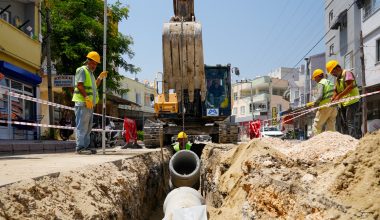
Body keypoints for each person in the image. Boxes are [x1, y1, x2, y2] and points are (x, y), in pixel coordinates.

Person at [72, 51, 107, 154]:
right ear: (88, 61)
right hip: (83, 102)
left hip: (89, 104)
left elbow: (95, 86)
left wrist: (100, 78)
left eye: (96, 64)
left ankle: (85, 147)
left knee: (87, 128)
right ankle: (80, 148)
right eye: (93, 63)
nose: (95, 65)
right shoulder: (82, 70)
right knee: (82, 126)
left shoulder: (91, 74)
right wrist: (87, 98)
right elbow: (79, 85)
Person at [326, 60, 360, 138]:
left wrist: (339, 96)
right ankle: (347, 139)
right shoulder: (338, 79)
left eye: (333, 72)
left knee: (350, 121)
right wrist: (334, 97)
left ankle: (353, 140)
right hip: (344, 103)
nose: (332, 74)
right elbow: (336, 90)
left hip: (352, 101)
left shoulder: (347, 73)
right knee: (344, 122)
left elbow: (350, 86)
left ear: (337, 68)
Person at [309, 69, 337, 135]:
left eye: (315, 78)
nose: (315, 80)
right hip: (334, 107)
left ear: (318, 76)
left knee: (316, 126)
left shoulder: (321, 83)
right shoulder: (330, 82)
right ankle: (331, 141)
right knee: (331, 127)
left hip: (324, 106)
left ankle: (316, 142)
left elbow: (319, 96)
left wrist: (315, 105)